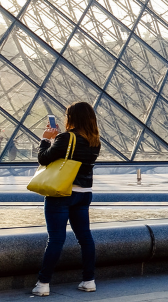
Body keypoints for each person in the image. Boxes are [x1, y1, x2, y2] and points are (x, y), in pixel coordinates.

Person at [33, 102, 102, 297]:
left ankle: (43, 283)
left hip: (62, 192)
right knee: (85, 238)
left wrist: (46, 140)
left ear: (72, 117)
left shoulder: (66, 137)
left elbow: (44, 159)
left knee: (56, 239)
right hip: (84, 193)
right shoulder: (95, 140)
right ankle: (89, 281)